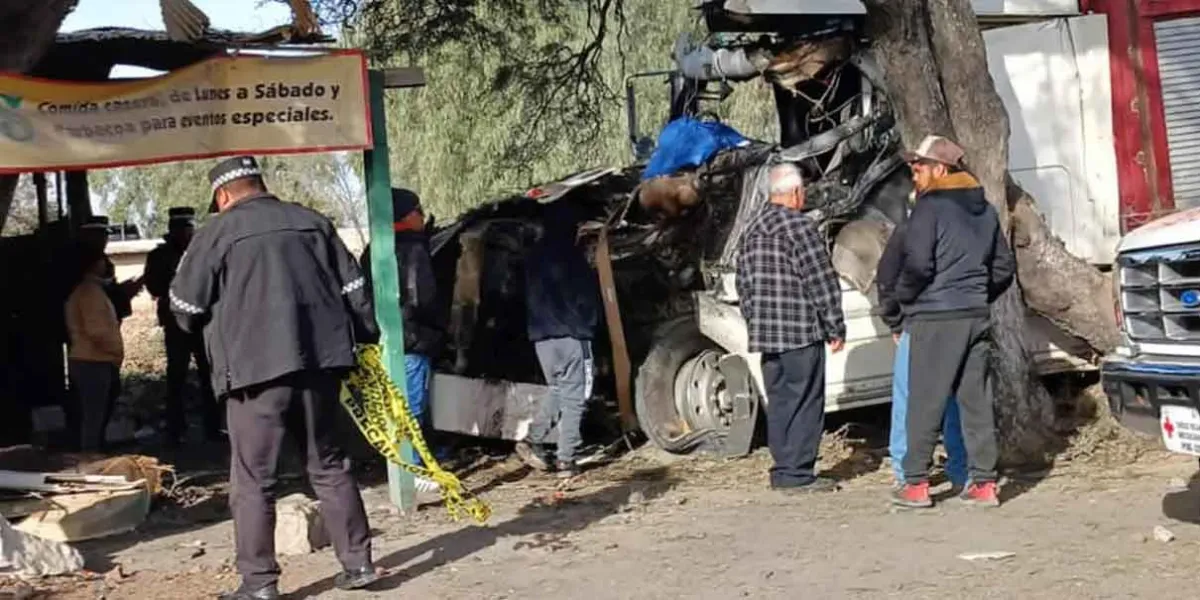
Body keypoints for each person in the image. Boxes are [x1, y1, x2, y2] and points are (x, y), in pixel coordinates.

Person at [170, 156, 381, 600]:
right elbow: (355, 292)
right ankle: (359, 565)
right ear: (260, 184)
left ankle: (260, 584)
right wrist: (364, 340)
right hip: (321, 366)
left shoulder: (216, 234)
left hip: (253, 374)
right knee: (328, 465)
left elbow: (185, 308)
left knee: (253, 480)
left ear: (223, 195)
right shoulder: (313, 222)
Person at [891, 135, 1015, 509]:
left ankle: (915, 485)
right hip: (975, 314)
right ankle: (984, 484)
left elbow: (918, 265)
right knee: (975, 401)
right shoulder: (986, 210)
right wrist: (976, 295)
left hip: (936, 315)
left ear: (940, 170)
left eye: (919, 167)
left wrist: (906, 298)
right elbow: (1004, 267)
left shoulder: (929, 209)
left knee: (924, 402)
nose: (914, 174)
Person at [735, 163, 845, 493]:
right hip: (800, 331)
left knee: (781, 401)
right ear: (796, 193)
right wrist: (834, 325)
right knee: (807, 401)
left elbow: (743, 284)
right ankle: (799, 474)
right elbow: (821, 280)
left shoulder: (751, 228)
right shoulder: (800, 227)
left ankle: (783, 469)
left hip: (768, 336)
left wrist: (754, 321)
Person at [359, 188, 447, 491]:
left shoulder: (374, 248)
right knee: (411, 406)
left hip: (387, 340)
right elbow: (423, 296)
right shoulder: (412, 248)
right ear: (408, 215)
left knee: (397, 404)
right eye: (419, 211)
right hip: (412, 339)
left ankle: (412, 464)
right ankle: (412, 471)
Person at [877, 219, 968, 491]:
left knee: (909, 399)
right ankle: (961, 469)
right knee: (956, 397)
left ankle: (907, 473)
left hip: (916, 323)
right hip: (956, 320)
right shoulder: (965, 225)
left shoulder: (909, 229)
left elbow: (886, 276)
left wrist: (895, 319)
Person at [514, 200, 601, 479]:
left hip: (543, 339)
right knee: (577, 397)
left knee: (557, 390)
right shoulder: (573, 259)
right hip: (573, 337)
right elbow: (587, 298)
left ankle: (533, 440)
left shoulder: (533, 257)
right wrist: (590, 325)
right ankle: (567, 460)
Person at [143, 207, 221, 446]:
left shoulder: (202, 252)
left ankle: (213, 427)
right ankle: (175, 430)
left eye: (189, 228)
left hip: (202, 323)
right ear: (172, 230)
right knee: (176, 377)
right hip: (175, 323)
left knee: (209, 376)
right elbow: (154, 287)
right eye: (181, 229)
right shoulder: (159, 256)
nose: (186, 233)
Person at [64, 249, 124, 452]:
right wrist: (116, 352)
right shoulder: (90, 292)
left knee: (92, 415)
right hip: (93, 361)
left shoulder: (87, 290)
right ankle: (90, 458)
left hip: (88, 358)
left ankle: (91, 454)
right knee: (93, 417)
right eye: (101, 260)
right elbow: (97, 331)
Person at [77, 215, 142, 322]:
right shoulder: (81, 261)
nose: (105, 239)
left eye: (106, 235)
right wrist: (123, 291)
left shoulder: (102, 258)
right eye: (102, 235)